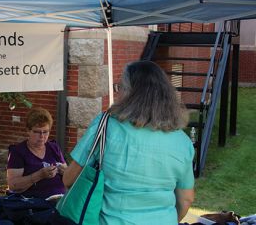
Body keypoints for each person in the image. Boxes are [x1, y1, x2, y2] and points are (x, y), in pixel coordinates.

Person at [63, 60, 195, 225]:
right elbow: (186, 199)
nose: (117, 94)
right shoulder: (182, 141)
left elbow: (69, 179)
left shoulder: (105, 126)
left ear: (129, 93)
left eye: (119, 88)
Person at [7, 107, 67, 199]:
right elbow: (13, 185)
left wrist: (64, 171)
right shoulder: (18, 152)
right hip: (33, 203)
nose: (42, 136)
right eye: (37, 132)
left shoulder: (53, 147)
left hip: (60, 199)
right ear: (28, 131)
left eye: (45, 132)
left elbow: (67, 174)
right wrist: (39, 175)